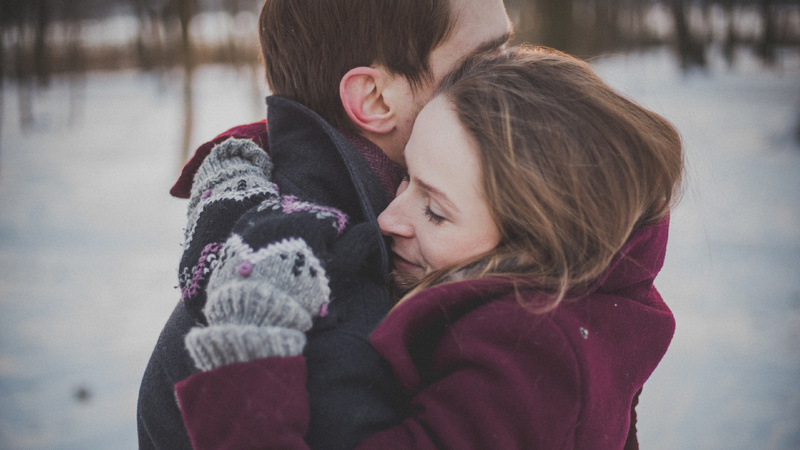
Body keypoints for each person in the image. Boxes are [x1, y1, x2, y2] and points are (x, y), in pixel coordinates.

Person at [173, 46, 684, 449]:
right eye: (405, 178)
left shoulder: (529, 365)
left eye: (435, 211)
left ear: (539, 243)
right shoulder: (571, 310)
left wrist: (243, 362)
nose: (389, 219)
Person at [137, 0, 513, 448]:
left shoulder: (386, 247)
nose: (517, 80)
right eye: (485, 61)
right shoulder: (329, 320)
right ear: (374, 99)